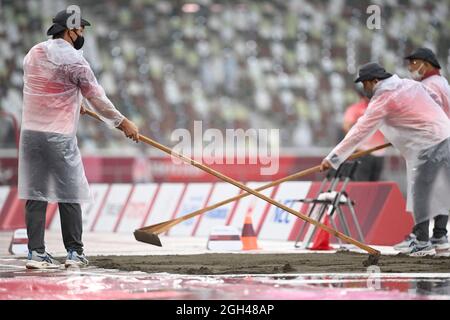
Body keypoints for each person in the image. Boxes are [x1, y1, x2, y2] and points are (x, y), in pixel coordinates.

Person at [19, 9, 139, 269]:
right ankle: (74, 253)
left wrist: (75, 104)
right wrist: (122, 123)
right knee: (69, 192)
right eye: (80, 29)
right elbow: (97, 98)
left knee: (35, 193)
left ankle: (36, 253)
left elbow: (47, 88)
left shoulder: (34, 53)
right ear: (69, 30)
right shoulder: (75, 60)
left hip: (30, 134)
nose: (82, 33)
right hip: (59, 135)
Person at [320, 62, 450, 257]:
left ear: (375, 81)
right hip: (444, 136)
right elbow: (433, 101)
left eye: (365, 84)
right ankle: (439, 237)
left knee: (421, 191)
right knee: (440, 190)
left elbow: (359, 131)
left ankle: (422, 242)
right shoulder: (410, 84)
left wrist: (334, 158)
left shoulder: (384, 98)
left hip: (427, 144)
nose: (365, 89)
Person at [393, 48, 450, 255]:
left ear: (426, 64)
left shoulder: (427, 86)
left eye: (414, 63)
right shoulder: (442, 82)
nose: (410, 67)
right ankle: (439, 236)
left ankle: (421, 240)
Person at [342, 88, 385, 181]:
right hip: (363, 152)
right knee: (362, 181)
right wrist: (357, 143)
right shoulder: (356, 108)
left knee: (375, 183)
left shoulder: (379, 108)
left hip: (379, 152)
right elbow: (346, 126)